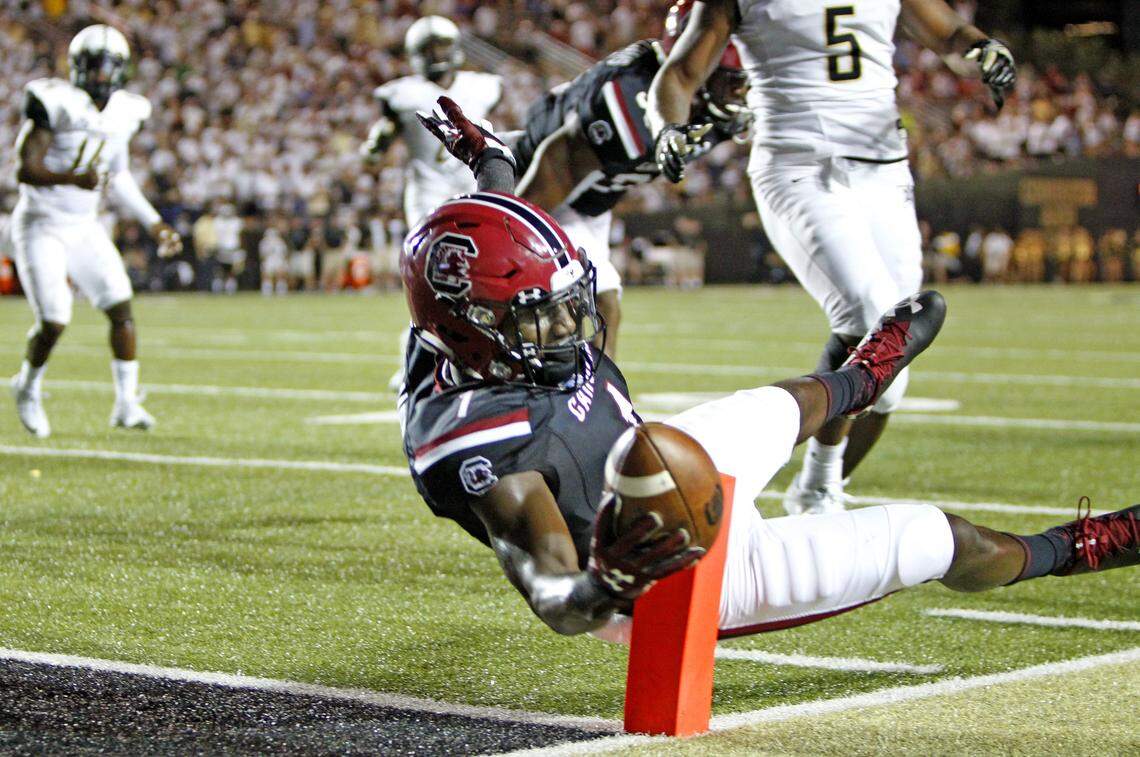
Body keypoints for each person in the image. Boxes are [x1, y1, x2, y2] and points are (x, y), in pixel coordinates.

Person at [399, 98, 1138, 639]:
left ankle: (862, 376)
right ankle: (1075, 548)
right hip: (675, 572)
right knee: (936, 536)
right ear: (473, 336)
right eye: (542, 316)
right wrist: (607, 580)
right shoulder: (484, 452)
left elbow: (495, 210)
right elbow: (551, 590)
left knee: (779, 403)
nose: (570, 323)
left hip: (651, 460)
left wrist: (488, 156)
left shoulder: (461, 316)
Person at [644, 0, 1016, 514]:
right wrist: (667, 126)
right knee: (871, 319)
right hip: (799, 165)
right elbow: (681, 73)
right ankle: (802, 485)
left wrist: (983, 49)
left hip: (885, 172)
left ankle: (818, 488)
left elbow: (949, 33)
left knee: (893, 374)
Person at [509, 4, 751, 357]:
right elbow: (557, 165)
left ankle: (593, 403)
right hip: (540, 189)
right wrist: (511, 230)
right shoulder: (634, 96)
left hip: (589, 203)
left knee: (603, 311)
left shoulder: (710, 113)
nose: (739, 95)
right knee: (585, 307)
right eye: (731, 81)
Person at [9, 25, 182, 438]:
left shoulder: (127, 110)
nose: (99, 74)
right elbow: (25, 169)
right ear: (76, 66)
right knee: (54, 319)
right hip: (41, 225)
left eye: (106, 67)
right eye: (91, 65)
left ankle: (126, 404)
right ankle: (27, 386)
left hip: (84, 225)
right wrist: (74, 178)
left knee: (121, 307)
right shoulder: (56, 101)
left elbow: (118, 175)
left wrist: (154, 222)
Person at [360, 14, 503, 388]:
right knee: (428, 279)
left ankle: (480, 351)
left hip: (474, 189)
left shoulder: (484, 86)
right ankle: (417, 355)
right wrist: (375, 145)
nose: (438, 54)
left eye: (442, 46)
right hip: (427, 196)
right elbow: (380, 143)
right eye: (429, 49)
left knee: (480, 276)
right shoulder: (401, 94)